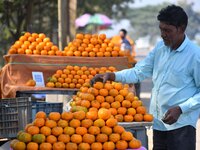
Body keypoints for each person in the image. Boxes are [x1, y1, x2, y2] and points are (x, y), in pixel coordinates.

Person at [91, 5, 200, 150]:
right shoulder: (160, 48)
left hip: (182, 125)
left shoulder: (195, 55)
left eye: (167, 30)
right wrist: (112, 75)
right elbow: (139, 71)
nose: (163, 34)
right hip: (158, 123)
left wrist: (181, 109)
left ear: (181, 28)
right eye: (161, 29)